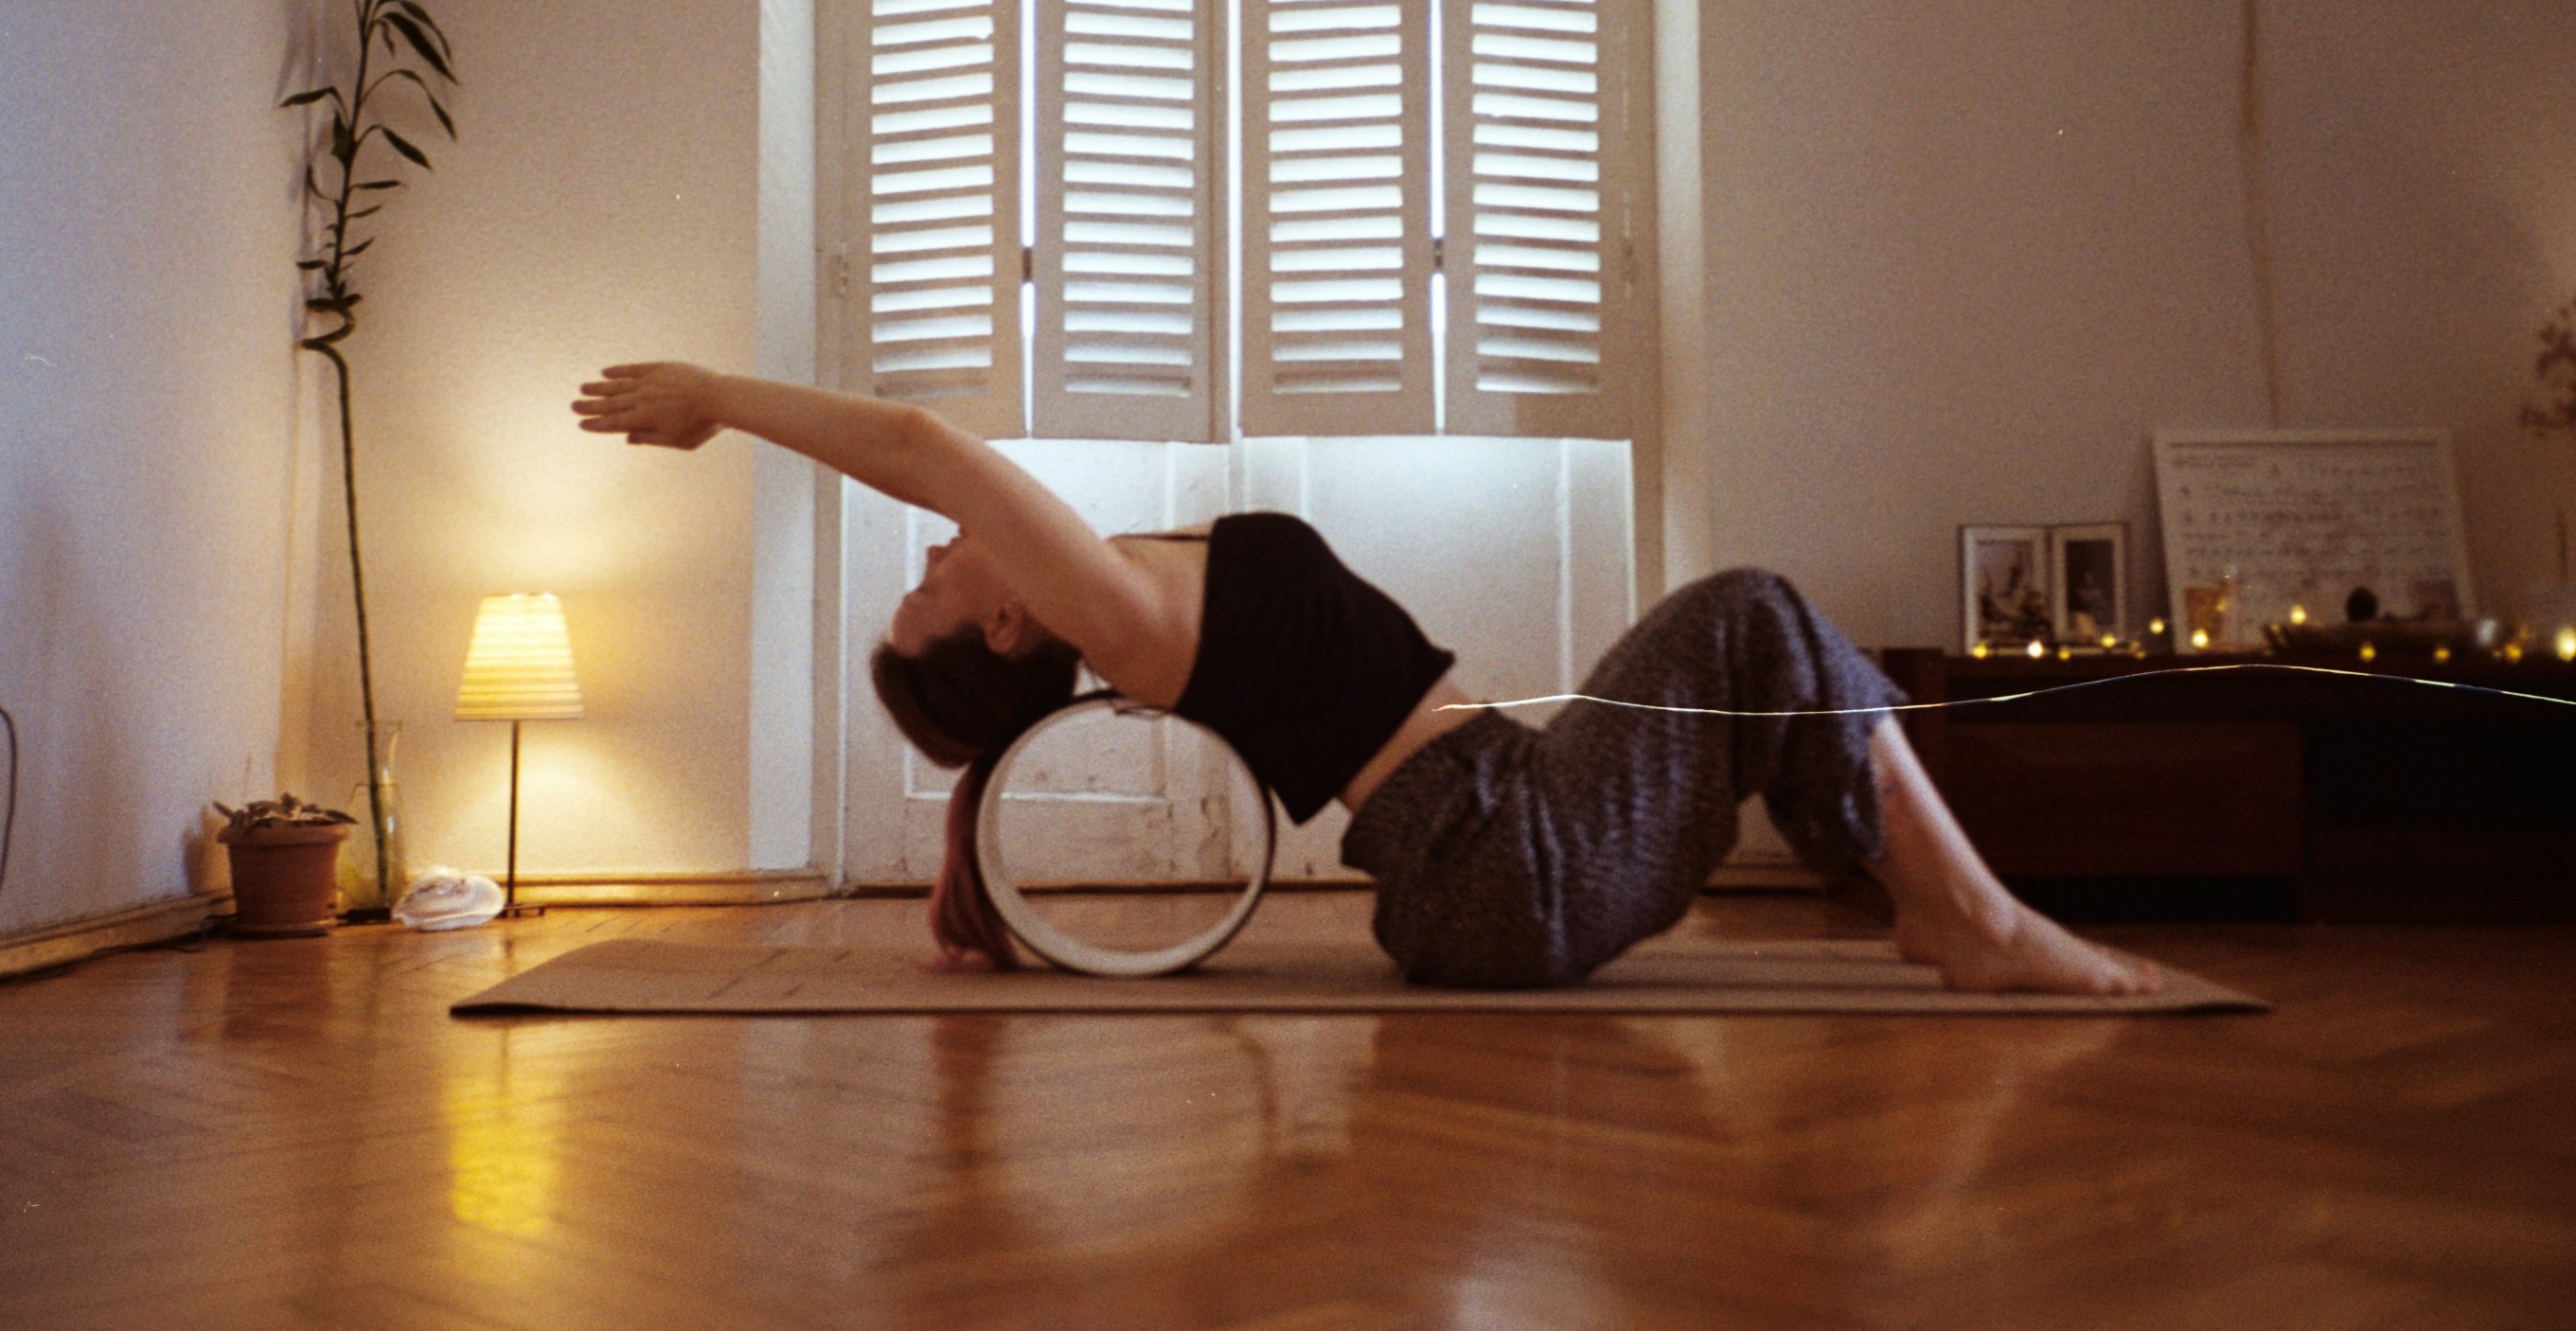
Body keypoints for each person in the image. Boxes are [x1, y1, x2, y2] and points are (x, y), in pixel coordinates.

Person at [572, 364, 2159, 995]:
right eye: (931, 584)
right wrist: (719, 398)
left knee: (1769, 642)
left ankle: (1935, 906)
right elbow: (920, 445)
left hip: (1497, 834)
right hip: (1500, 862)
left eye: (926, 558)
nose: (935, 546)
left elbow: (937, 479)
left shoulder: (1119, 589)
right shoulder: (1112, 613)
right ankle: (1971, 918)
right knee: (1749, 611)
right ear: (1003, 630)